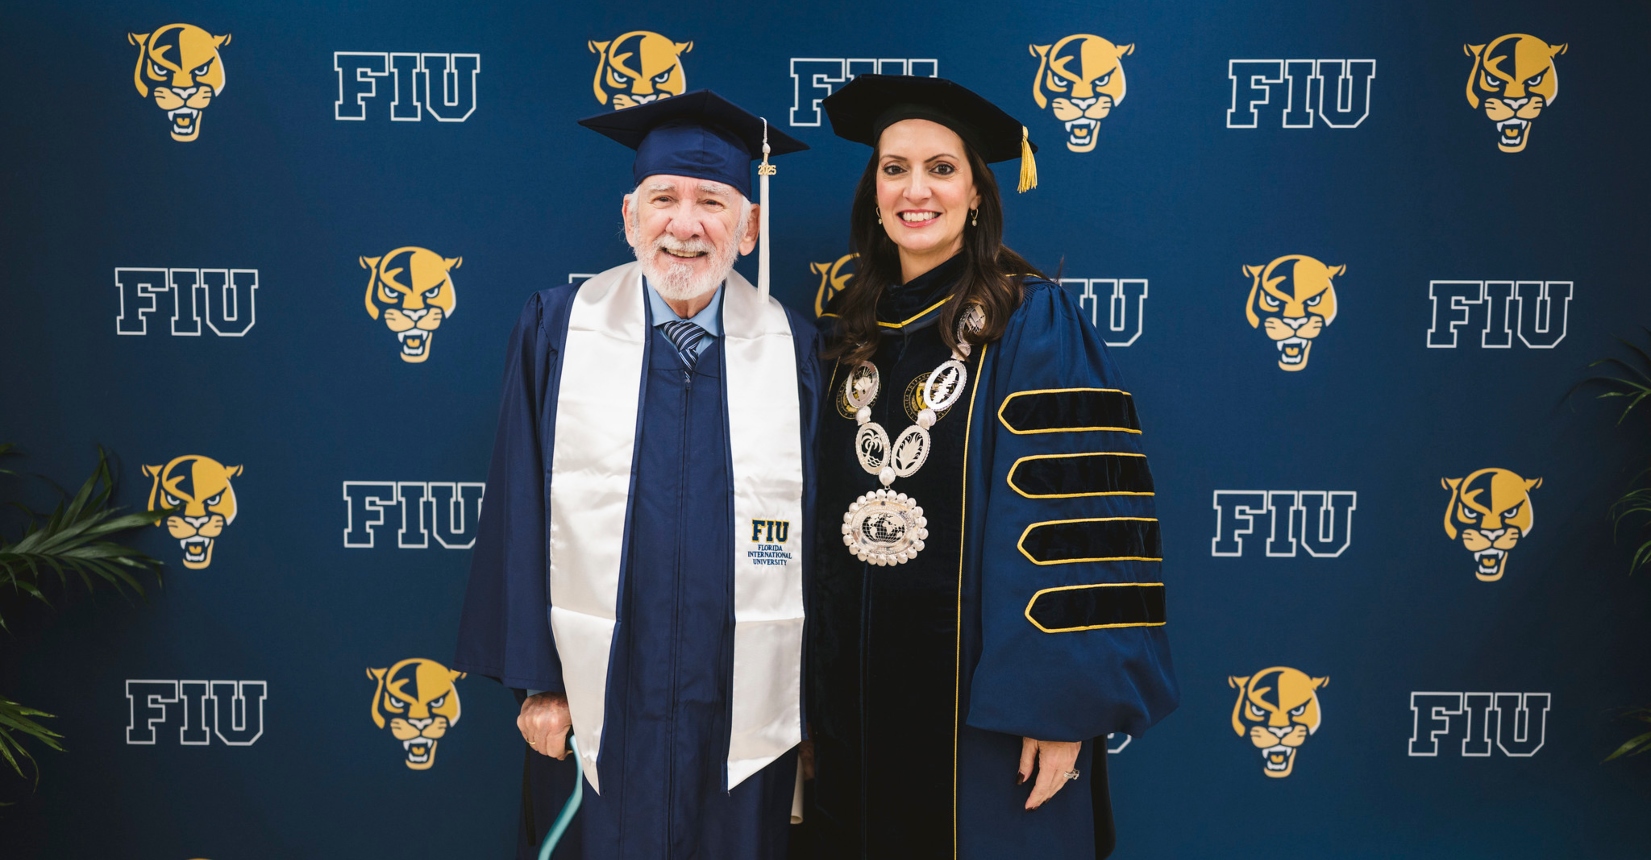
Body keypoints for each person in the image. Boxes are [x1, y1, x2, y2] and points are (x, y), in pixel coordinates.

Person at [806, 75, 1179, 859]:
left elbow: (1073, 525)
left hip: (986, 713)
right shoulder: (847, 338)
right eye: (893, 167)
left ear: (976, 193)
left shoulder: (1027, 320)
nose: (916, 190)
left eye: (941, 168)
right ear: (871, 189)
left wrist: (1057, 707)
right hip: (848, 707)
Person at [453, 91, 819, 860]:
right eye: (663, 200)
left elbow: (819, 542)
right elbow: (518, 507)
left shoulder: (795, 352)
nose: (684, 225)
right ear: (629, 217)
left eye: (712, 202)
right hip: (598, 701)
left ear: (748, 228)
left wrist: (805, 708)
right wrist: (539, 685)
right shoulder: (558, 330)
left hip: (739, 709)